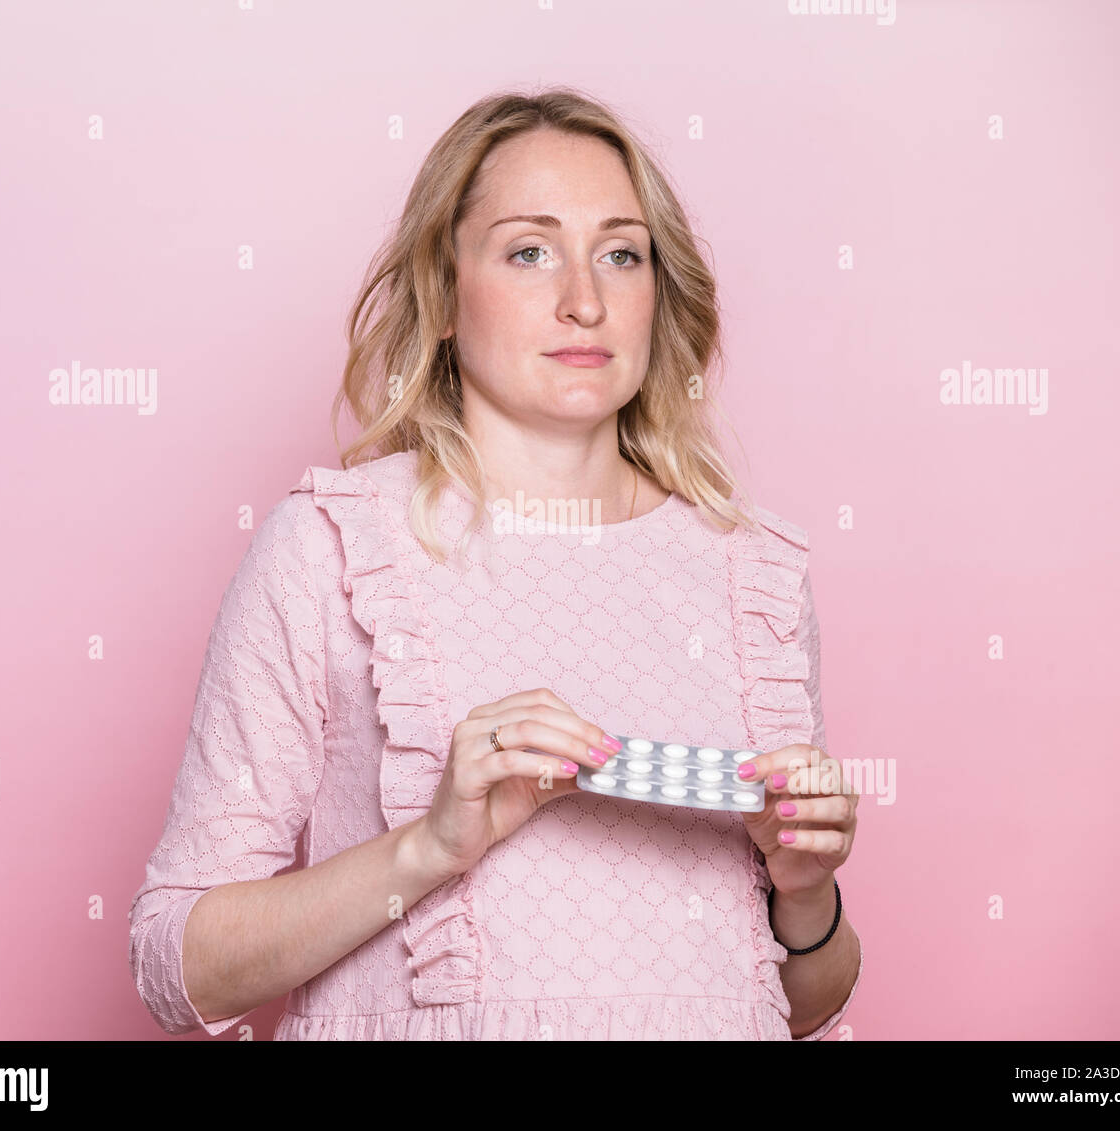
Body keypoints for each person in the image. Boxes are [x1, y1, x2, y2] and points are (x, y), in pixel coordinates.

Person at [128, 86, 863, 1040]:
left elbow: (800, 1008)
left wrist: (808, 894)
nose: (585, 300)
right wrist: (429, 850)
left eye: (620, 253)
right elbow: (174, 962)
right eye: (529, 250)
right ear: (442, 297)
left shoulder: (753, 576)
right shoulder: (335, 549)